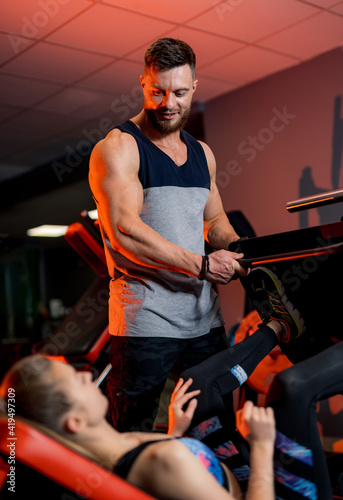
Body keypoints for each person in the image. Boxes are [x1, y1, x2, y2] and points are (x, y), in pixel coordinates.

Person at [0, 268, 309, 500]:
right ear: (75, 421)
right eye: (76, 382)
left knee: (194, 383)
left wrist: (174, 433)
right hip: (264, 489)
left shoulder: (116, 448)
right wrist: (262, 446)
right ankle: (282, 327)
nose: (87, 375)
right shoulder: (163, 461)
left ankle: (279, 327)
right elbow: (163, 469)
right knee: (296, 388)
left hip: (223, 474)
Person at [88, 37, 250, 431]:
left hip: (204, 321)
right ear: (143, 83)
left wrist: (242, 252)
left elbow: (214, 221)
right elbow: (126, 230)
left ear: (194, 87)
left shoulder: (202, 153)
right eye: (157, 92)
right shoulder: (120, 148)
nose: (168, 103)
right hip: (147, 322)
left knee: (217, 424)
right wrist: (203, 264)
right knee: (131, 432)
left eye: (179, 92)